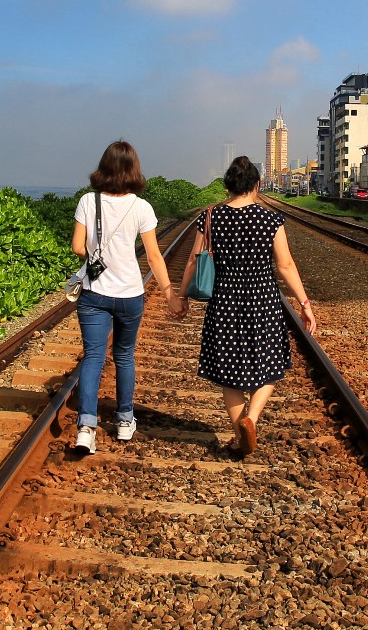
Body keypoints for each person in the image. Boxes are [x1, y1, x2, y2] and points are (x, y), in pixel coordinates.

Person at [172, 156, 319, 458]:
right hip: (262, 300)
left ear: (227, 186)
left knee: (228, 373)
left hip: (224, 301)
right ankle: (251, 419)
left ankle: (241, 433)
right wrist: (304, 303)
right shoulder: (270, 220)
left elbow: (192, 260)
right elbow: (286, 265)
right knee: (271, 365)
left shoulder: (211, 216)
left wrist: (182, 295)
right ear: (256, 185)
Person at [69, 141, 173, 456]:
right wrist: (169, 292)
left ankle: (86, 429)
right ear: (133, 170)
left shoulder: (88, 201)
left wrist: (98, 256)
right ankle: (125, 420)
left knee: (93, 358)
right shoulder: (141, 207)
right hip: (130, 294)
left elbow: (77, 247)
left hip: (94, 294)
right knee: (124, 357)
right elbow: (153, 256)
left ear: (104, 167)